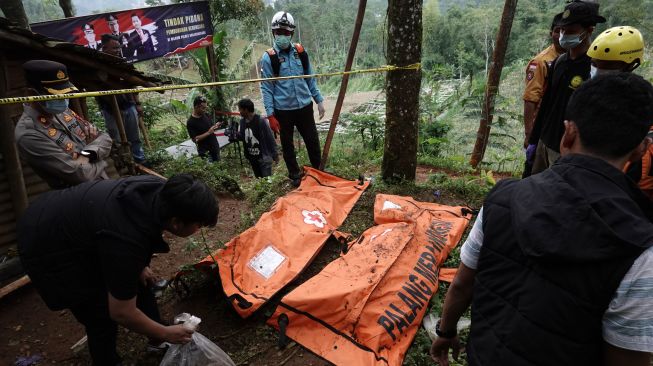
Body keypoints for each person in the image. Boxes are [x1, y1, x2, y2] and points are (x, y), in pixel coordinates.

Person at [430, 74, 653, 366]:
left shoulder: (503, 198)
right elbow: (628, 357)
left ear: (568, 134)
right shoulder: (639, 247)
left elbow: (462, 283)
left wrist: (445, 332)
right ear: (640, 149)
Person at [17, 174, 219, 366]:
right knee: (99, 315)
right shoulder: (125, 241)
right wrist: (167, 333)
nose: (198, 230)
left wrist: (137, 266)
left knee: (140, 281)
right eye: (199, 225)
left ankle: (156, 339)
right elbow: (121, 312)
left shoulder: (160, 192)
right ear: (176, 222)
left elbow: (126, 232)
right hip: (46, 242)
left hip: (77, 223)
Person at [529, 0, 605, 175]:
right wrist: (534, 138)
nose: (563, 35)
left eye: (570, 32)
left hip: (566, 149)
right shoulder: (559, 62)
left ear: (589, 31)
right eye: (562, 30)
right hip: (544, 141)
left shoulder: (593, 68)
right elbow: (547, 102)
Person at [14, 60, 113, 189]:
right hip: (79, 198)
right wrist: (100, 157)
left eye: (65, 93)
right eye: (55, 95)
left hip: (104, 184)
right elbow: (81, 175)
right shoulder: (28, 134)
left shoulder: (63, 111)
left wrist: (87, 154)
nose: (63, 99)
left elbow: (105, 138)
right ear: (31, 93)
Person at [260, 11, 326, 187]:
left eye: (286, 32)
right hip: (283, 110)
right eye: (279, 32)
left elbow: (309, 77)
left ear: (292, 33)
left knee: (312, 140)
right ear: (274, 32)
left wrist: (318, 100)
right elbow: (266, 88)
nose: (283, 35)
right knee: (287, 145)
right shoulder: (269, 58)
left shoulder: (300, 52)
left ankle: (319, 170)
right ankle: (295, 175)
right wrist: (270, 115)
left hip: (304, 106)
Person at [522, 14, 563, 178]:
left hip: (561, 129)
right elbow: (530, 98)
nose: (561, 36)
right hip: (542, 127)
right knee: (535, 172)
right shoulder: (541, 62)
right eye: (558, 31)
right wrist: (529, 133)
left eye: (565, 31)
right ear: (551, 32)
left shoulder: (580, 61)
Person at [98, 34, 147, 165]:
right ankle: (125, 163)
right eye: (114, 48)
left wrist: (138, 104)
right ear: (104, 47)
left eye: (118, 47)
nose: (117, 51)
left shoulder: (123, 63)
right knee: (117, 139)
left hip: (128, 105)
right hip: (110, 110)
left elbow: (133, 84)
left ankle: (140, 161)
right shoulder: (96, 64)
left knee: (134, 137)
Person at [237, 98, 279, 178]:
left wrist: (275, 154)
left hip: (263, 158)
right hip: (252, 158)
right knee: (259, 179)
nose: (239, 112)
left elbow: (269, 138)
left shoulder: (260, 121)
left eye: (240, 109)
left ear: (246, 110)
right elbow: (243, 138)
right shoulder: (242, 122)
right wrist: (235, 135)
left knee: (267, 181)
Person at [186, 96, 220, 162]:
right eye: (203, 108)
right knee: (210, 171)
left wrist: (215, 126)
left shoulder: (206, 115)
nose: (205, 110)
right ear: (196, 107)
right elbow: (195, 139)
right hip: (205, 153)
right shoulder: (191, 122)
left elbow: (210, 128)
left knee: (219, 168)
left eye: (205, 108)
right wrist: (208, 132)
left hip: (215, 148)